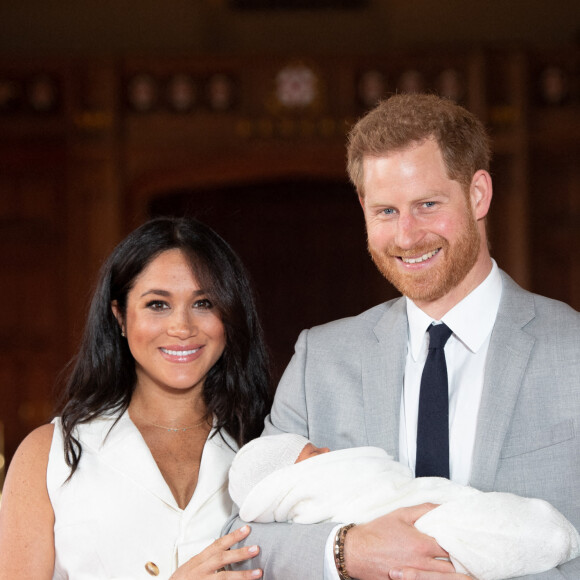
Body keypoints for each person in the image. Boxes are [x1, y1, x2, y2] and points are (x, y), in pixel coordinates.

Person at [226, 92, 580, 580]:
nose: (407, 236)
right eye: (386, 212)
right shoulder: (320, 360)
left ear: (478, 194)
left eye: (427, 205)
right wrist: (346, 552)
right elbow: (242, 541)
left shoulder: (573, 351)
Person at [0, 216, 272, 580]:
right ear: (120, 318)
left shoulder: (268, 445)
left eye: (204, 303)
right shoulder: (47, 456)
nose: (182, 327)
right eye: (158, 304)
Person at [228, 434, 580, 580]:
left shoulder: (567, 338)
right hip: (433, 521)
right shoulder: (312, 355)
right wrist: (346, 549)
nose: (329, 454)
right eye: (316, 455)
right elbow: (240, 539)